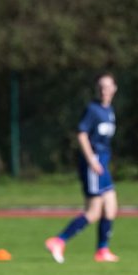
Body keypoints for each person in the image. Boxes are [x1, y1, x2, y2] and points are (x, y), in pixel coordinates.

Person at [45, 72, 121, 263]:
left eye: (108, 86)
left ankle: (102, 251)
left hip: (103, 163)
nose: (104, 90)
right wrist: (91, 161)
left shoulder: (109, 110)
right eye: (101, 87)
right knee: (94, 212)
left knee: (111, 207)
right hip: (93, 163)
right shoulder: (93, 110)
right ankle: (58, 240)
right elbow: (81, 134)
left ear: (114, 89)